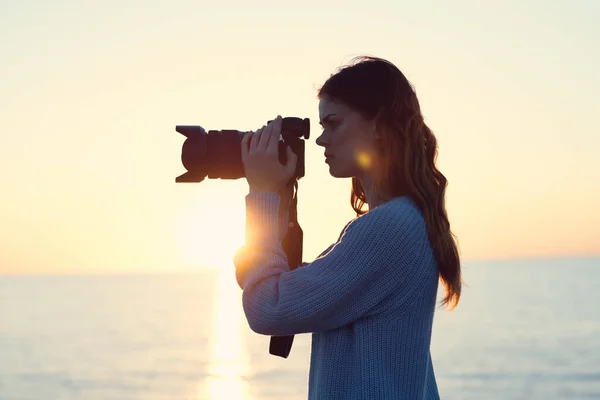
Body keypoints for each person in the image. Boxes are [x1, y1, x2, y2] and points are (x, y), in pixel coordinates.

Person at [233, 55, 461, 400]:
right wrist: (276, 202)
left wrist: (262, 194)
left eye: (333, 123)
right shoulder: (402, 221)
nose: (321, 140)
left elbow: (268, 308)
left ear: (378, 126)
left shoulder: (389, 228)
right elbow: (283, 287)